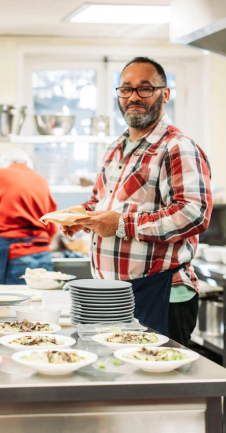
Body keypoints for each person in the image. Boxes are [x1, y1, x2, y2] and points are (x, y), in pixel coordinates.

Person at [63, 57, 212, 345]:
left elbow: (195, 213)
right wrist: (82, 216)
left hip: (160, 293)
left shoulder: (177, 146)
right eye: (126, 89)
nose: (134, 97)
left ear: (165, 94)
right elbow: (101, 201)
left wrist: (121, 225)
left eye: (145, 89)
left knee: (155, 385)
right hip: (112, 294)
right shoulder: (116, 147)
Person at [0, 148, 58, 284]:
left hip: (10, 256)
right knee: (40, 303)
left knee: (4, 304)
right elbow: (52, 222)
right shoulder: (41, 179)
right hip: (43, 255)